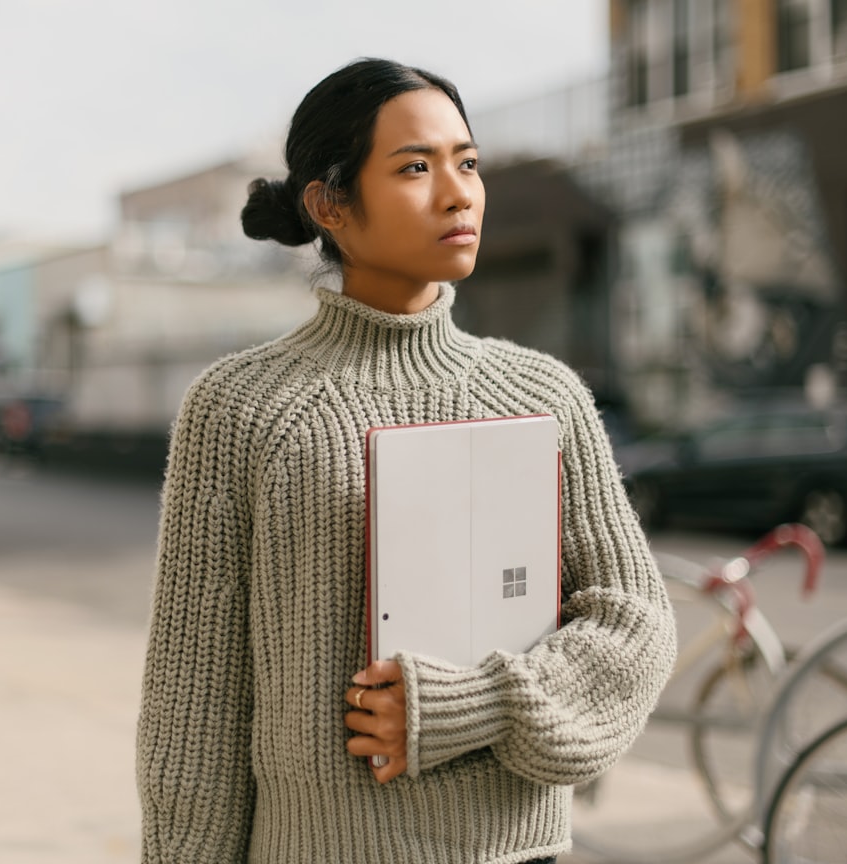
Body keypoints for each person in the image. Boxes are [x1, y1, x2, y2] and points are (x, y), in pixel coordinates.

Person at [136, 57, 676, 864]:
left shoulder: (546, 395)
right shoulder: (241, 408)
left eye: (468, 162)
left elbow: (636, 622)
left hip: (518, 854)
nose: (458, 192)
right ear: (331, 204)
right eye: (416, 168)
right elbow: (195, 707)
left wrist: (480, 704)